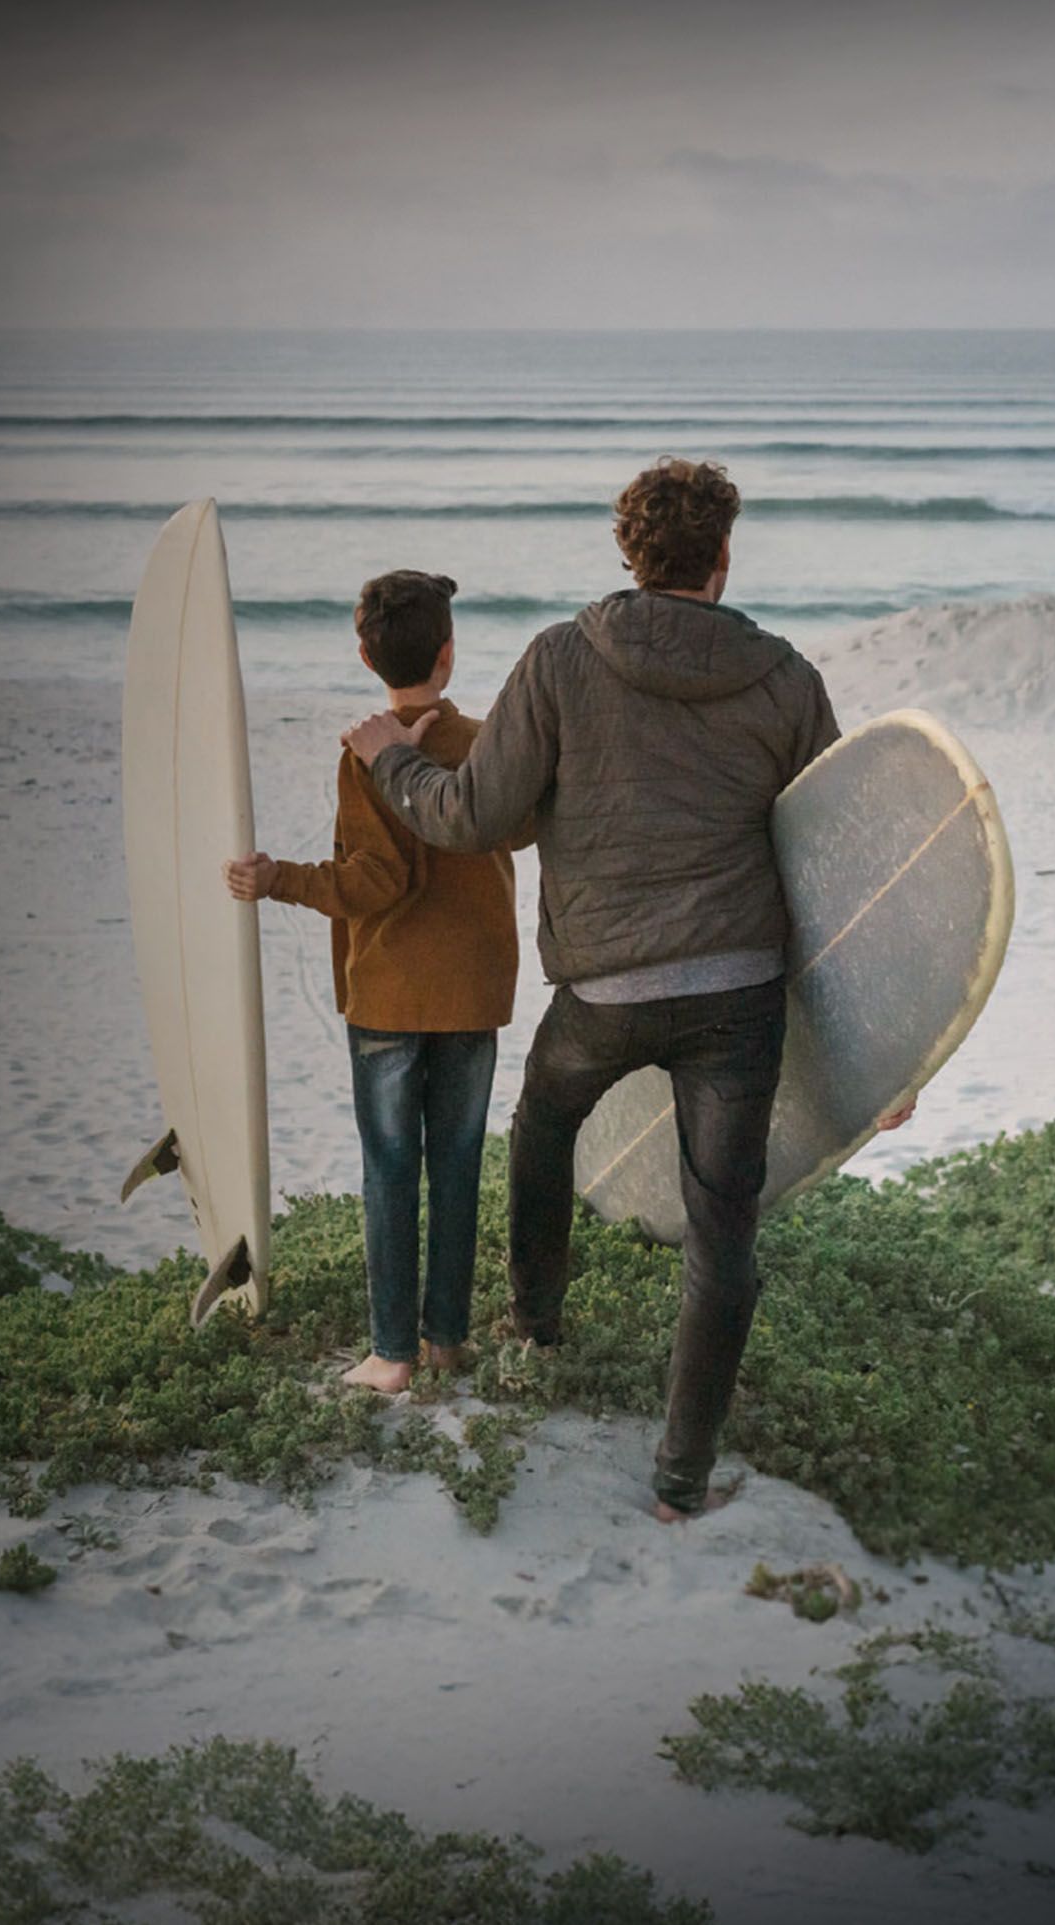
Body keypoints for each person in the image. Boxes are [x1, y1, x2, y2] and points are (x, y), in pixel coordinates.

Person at [338, 461, 912, 1518]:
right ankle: (681, 1480)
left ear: (629, 554)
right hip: (737, 993)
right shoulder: (784, 678)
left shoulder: (560, 660)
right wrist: (886, 1040)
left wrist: (389, 765)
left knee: (543, 1121)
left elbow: (471, 815)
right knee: (721, 1229)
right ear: (723, 559)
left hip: (603, 988)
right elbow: (839, 871)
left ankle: (535, 1322)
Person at [225, 571, 519, 1395]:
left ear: (364, 655)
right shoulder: (491, 742)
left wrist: (278, 877)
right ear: (451, 654)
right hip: (472, 993)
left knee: (392, 1167)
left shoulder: (367, 755)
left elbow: (372, 884)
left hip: (389, 995)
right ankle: (446, 1344)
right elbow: (525, 824)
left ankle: (391, 1354)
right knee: (457, 1162)